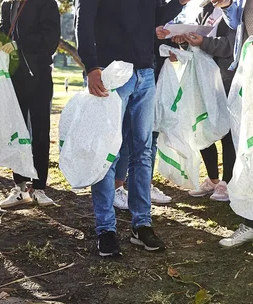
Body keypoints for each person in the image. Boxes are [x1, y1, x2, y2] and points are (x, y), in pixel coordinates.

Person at [76, 0, 191, 256]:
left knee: (143, 151)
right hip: (111, 73)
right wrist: (91, 67)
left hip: (145, 73)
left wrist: (179, 3)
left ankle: (142, 225)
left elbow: (154, 17)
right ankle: (106, 230)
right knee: (108, 153)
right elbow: (83, 23)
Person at [0, 0, 60, 208]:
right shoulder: (8, 4)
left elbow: (50, 39)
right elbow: (4, 29)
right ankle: (20, 187)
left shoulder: (47, 3)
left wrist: (19, 45)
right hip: (14, 77)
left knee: (40, 132)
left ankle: (39, 188)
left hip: (39, 75)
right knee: (17, 132)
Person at [168, 3, 237, 202]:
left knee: (227, 130)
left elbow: (231, 46)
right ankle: (213, 179)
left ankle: (227, 182)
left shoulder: (236, 9)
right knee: (202, 126)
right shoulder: (205, 10)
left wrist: (203, 42)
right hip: (202, 79)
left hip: (226, 78)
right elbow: (196, 42)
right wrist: (184, 41)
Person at [211, 0, 253, 247]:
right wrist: (226, 4)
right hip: (247, 71)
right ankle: (249, 220)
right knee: (247, 147)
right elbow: (235, 22)